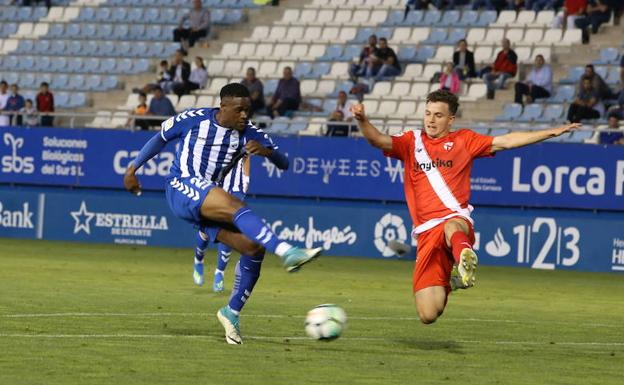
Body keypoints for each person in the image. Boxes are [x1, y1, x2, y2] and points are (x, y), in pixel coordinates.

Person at [349, 89, 579, 325]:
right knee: (428, 314)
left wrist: (551, 132)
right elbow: (377, 140)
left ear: (451, 120)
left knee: (452, 224)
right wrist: (362, 120)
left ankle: (464, 257)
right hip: (426, 233)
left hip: (456, 222)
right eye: (428, 114)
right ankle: (455, 279)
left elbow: (506, 141)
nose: (430, 120)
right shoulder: (411, 141)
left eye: (438, 115)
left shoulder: (464, 140)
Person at [123, 83, 321, 344]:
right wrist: (132, 168)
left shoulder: (250, 132)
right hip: (181, 186)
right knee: (235, 206)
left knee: (253, 248)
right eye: (239, 110)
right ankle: (287, 251)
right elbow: (160, 139)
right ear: (223, 107)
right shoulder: (194, 119)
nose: (244, 116)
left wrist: (268, 153)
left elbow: (284, 162)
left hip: (208, 198)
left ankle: (231, 312)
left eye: (248, 111)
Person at [193, 156, 259, 293]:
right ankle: (198, 261)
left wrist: (246, 178)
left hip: (235, 188)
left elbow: (246, 155)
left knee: (229, 230)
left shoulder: (243, 135)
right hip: (213, 185)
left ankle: (219, 273)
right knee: (206, 230)